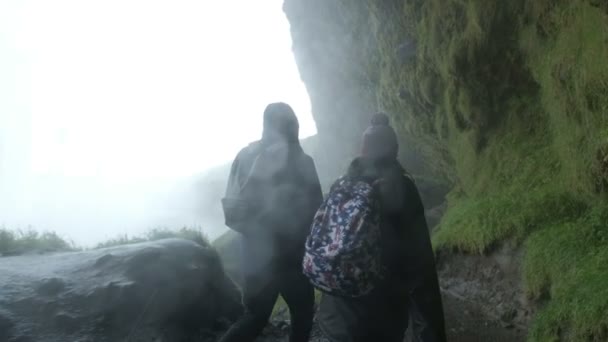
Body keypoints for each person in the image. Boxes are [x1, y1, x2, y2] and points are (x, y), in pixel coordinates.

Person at [315, 113, 446, 342]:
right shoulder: (401, 190)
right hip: (381, 322)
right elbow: (421, 271)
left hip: (333, 318)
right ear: (394, 150)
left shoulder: (341, 186)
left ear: (362, 150)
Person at [219, 102, 323, 342]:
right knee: (303, 314)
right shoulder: (301, 160)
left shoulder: (244, 156)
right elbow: (315, 208)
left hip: (254, 257)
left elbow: (233, 206)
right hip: (291, 257)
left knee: (254, 317)